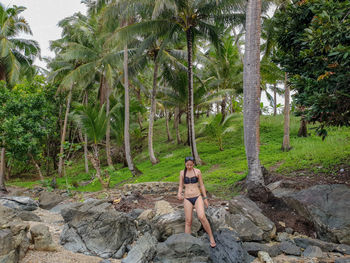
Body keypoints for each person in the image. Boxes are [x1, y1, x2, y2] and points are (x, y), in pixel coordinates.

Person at [177, 156, 216, 248]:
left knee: (202, 216)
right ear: (185, 164)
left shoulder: (197, 172)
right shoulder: (182, 173)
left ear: (193, 164)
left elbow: (201, 185)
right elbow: (180, 186)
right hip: (187, 198)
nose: (189, 166)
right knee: (188, 221)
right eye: (187, 165)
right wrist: (179, 193)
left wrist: (205, 198)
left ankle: (211, 237)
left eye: (191, 165)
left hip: (197, 197)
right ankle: (188, 242)